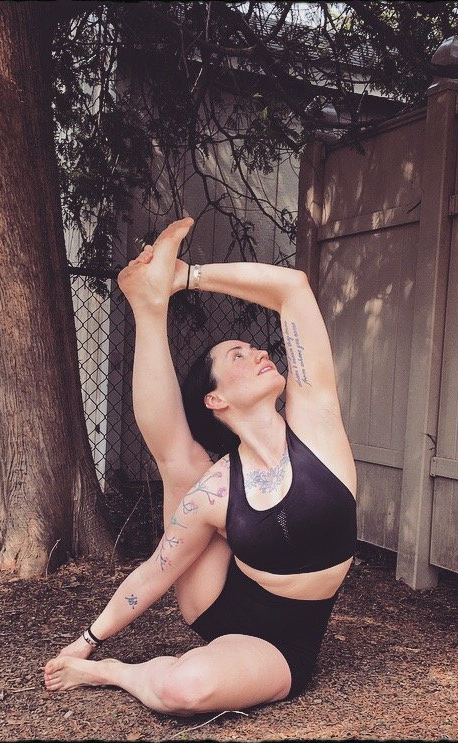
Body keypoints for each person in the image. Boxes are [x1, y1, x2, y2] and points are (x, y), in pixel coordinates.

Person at [44, 217, 357, 715]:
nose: (258, 353)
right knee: (181, 464)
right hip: (217, 602)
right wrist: (87, 641)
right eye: (238, 355)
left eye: (253, 349)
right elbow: (156, 571)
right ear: (215, 399)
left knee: (184, 690)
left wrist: (187, 276)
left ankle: (116, 673)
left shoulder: (316, 423)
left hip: (286, 642)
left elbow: (293, 288)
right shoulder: (215, 489)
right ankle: (148, 311)